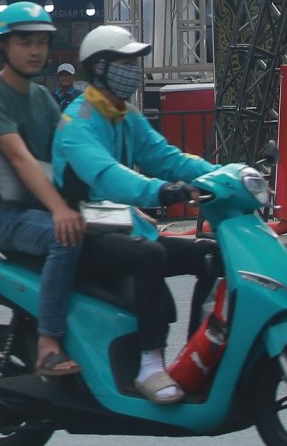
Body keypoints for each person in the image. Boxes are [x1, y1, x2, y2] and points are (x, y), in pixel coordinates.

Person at [53, 25, 214, 405]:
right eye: (126, 62)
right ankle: (149, 364)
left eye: (135, 62)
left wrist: (223, 175)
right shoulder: (78, 120)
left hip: (120, 227)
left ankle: (195, 359)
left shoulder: (126, 116)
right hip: (82, 234)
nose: (135, 70)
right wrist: (158, 189)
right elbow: (107, 175)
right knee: (150, 255)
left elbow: (166, 157)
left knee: (210, 255)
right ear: (101, 68)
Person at [0, 1, 85, 380]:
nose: (35, 51)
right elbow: (18, 158)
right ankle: (48, 344)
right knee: (65, 237)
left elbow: (71, 150)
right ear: (3, 46)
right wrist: (61, 210)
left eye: (42, 43)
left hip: (35, 208)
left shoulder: (41, 98)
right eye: (24, 42)